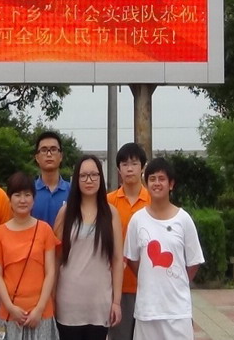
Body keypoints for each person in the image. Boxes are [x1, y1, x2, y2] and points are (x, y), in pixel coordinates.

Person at [124, 158, 204, 340]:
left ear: (171, 184)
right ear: (146, 184)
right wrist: (149, 278)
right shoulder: (137, 220)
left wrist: (177, 281)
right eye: (152, 179)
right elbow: (132, 260)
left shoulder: (183, 219)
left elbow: (194, 262)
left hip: (177, 312)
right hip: (147, 311)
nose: (157, 183)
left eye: (162, 179)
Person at [53, 155, 123, 340]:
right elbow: (55, 259)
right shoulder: (65, 213)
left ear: (100, 177)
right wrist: (50, 298)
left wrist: (116, 302)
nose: (89, 180)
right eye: (83, 176)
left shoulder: (111, 214)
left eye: (94, 175)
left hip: (100, 304)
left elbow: (117, 259)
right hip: (68, 304)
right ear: (76, 180)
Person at [0, 172, 59, 340]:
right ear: (9, 199)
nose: (22, 200)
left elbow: (50, 272)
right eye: (17, 195)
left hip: (41, 313)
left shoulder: (44, 230)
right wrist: (10, 307)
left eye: (27, 195)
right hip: (10, 313)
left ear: (34, 199)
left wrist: (39, 309)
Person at [106, 143, 150, 340]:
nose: (129, 168)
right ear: (118, 170)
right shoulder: (108, 202)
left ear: (143, 167)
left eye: (134, 163)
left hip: (148, 286)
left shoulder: (153, 201)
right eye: (124, 164)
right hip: (118, 287)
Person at [31, 131, 70, 228]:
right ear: (37, 158)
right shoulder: (28, 192)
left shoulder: (73, 191)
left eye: (53, 149)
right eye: (44, 150)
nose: (49, 154)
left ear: (61, 156)